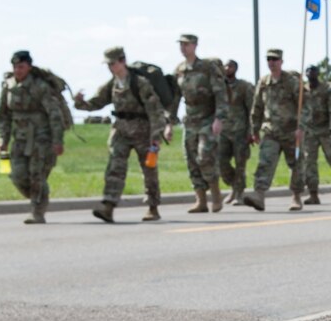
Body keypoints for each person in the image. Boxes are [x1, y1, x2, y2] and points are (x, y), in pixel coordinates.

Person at [74, 47, 167, 222]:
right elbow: (96, 103)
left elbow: (155, 111)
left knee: (149, 169)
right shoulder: (112, 84)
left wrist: (156, 137)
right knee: (115, 167)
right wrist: (79, 102)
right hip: (121, 131)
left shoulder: (140, 83)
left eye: (113, 63)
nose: (110, 67)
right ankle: (108, 206)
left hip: (143, 131)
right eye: (108, 64)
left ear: (122, 61)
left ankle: (152, 207)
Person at [0, 50, 65, 224]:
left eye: (21, 66)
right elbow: (4, 115)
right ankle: (42, 194)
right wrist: (2, 139)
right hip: (19, 139)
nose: (18, 70)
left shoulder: (40, 86)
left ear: (29, 67)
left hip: (41, 138)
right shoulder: (8, 86)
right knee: (16, 174)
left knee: (37, 175)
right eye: (15, 66)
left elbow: (54, 115)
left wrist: (57, 140)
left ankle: (37, 212)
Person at [165, 34, 228, 213]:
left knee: (205, 156)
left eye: (186, 44)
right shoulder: (180, 70)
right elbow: (175, 99)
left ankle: (216, 196)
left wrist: (219, 118)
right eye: (181, 45)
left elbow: (220, 93)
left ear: (195, 45)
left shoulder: (208, 67)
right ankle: (200, 200)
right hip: (190, 120)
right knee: (191, 159)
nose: (183, 48)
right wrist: (169, 123)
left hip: (208, 118)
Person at [245, 48, 305, 212]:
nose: (271, 63)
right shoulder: (264, 83)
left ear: (281, 62)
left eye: (275, 60)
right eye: (269, 60)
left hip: (291, 131)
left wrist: (301, 127)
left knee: (297, 165)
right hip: (271, 131)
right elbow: (257, 107)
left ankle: (296, 196)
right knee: (265, 162)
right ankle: (259, 195)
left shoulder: (292, 82)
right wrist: (254, 130)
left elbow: (305, 106)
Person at [300, 65, 331, 204]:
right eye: (308, 72)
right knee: (309, 162)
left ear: (318, 74)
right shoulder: (303, 91)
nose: (311, 74)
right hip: (310, 131)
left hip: (326, 129)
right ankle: (313, 193)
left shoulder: (328, 90)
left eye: (313, 71)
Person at [219, 59, 255, 205]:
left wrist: (251, 131)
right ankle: (234, 186)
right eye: (226, 66)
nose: (228, 68)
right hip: (223, 131)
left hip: (240, 131)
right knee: (221, 162)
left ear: (236, 68)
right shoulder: (219, 87)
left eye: (231, 66)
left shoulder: (244, 87)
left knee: (241, 164)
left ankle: (239, 193)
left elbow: (251, 109)